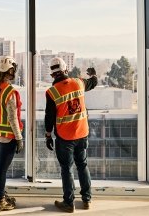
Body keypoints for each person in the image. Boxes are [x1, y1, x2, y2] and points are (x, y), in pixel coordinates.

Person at [44, 57, 97, 213]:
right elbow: (92, 83)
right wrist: (94, 75)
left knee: (67, 168)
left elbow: (49, 116)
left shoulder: (52, 92)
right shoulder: (79, 82)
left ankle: (69, 203)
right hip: (82, 133)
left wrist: (48, 135)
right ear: (66, 69)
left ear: (52, 75)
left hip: (65, 137)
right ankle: (86, 200)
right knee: (82, 165)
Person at [0, 55, 24, 212]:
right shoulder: (9, 91)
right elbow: (12, 118)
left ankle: (0, 195)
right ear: (10, 70)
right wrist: (19, 138)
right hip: (7, 136)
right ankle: (0, 201)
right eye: (13, 69)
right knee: (2, 170)